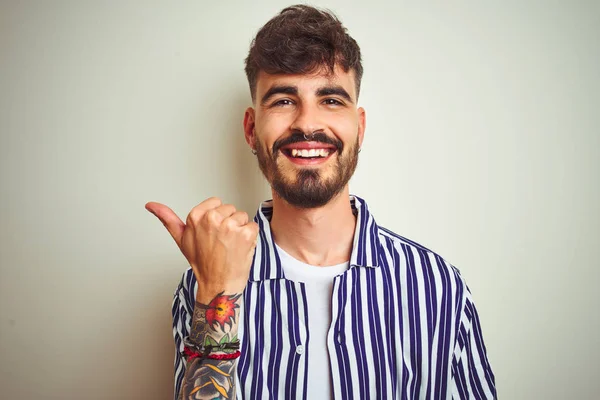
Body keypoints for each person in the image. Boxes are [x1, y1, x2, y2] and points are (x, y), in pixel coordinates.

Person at [146, 5, 496, 399]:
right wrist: (215, 291)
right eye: (282, 100)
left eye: (330, 100)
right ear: (250, 128)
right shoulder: (206, 284)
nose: (307, 123)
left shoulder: (438, 288)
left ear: (359, 128)